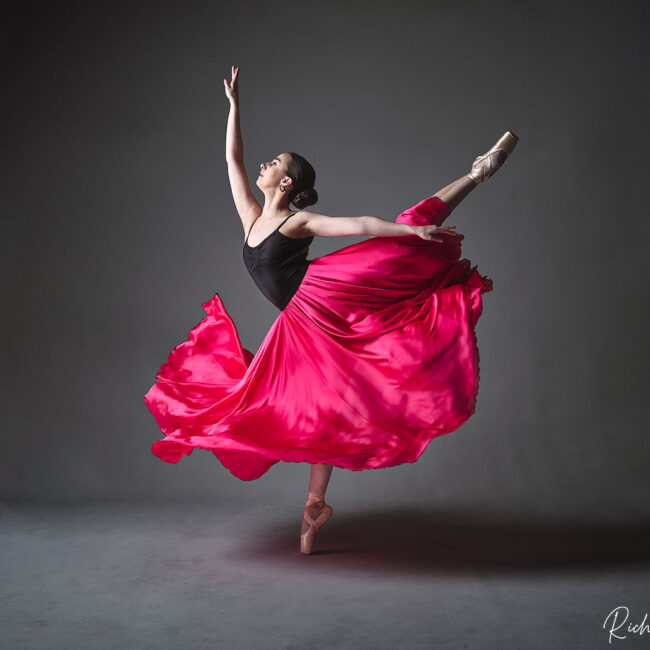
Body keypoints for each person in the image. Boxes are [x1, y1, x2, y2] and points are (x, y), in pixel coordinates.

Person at [144, 65, 518, 555]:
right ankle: (315, 505)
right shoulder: (251, 216)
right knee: (317, 407)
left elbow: (359, 223)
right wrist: (235, 107)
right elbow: (232, 160)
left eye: (274, 163)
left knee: (410, 229)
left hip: (326, 293)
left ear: (286, 182)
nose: (263, 165)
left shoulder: (297, 223)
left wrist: (410, 234)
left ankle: (475, 173)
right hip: (300, 323)